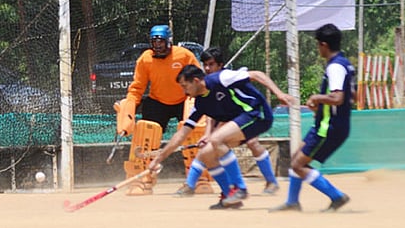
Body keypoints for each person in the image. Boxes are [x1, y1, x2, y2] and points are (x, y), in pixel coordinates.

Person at [148, 64, 296, 210]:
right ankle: (229, 196)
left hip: (257, 113)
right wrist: (157, 160)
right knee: (206, 154)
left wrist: (279, 94)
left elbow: (257, 74)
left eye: (185, 86)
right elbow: (181, 135)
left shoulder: (221, 78)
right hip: (242, 121)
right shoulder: (200, 103)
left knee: (215, 139)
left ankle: (240, 189)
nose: (183, 91)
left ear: (196, 80)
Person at [174, 46, 282, 197]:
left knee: (251, 143)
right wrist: (208, 133)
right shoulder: (207, 85)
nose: (207, 68)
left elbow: (256, 76)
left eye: (211, 64)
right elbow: (212, 112)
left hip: (248, 114)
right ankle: (194, 185)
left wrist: (279, 93)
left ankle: (266, 182)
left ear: (220, 65)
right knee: (208, 149)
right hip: (231, 119)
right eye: (205, 64)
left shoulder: (227, 77)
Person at [271, 23, 354, 212]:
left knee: (298, 165)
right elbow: (353, 95)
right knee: (296, 157)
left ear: (324, 45)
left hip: (328, 126)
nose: (318, 49)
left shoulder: (335, 67)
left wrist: (317, 98)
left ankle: (337, 196)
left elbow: (338, 98)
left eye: (318, 45)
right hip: (327, 124)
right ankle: (292, 202)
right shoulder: (346, 64)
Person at [120, 24, 199, 132]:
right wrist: (130, 105)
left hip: (184, 100)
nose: (157, 46)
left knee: (194, 131)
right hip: (158, 101)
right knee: (148, 132)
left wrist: (198, 98)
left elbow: (198, 78)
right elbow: (137, 87)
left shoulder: (184, 55)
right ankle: (148, 148)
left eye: (160, 42)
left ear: (168, 41)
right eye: (154, 42)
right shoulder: (145, 59)